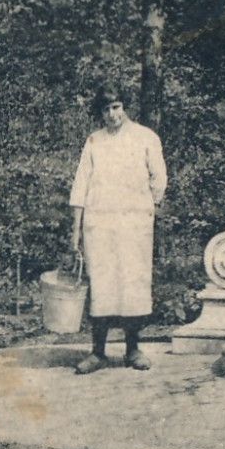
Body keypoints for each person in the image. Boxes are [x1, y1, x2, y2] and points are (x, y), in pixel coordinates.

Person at [69, 84, 167, 374]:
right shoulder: (94, 142)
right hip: (99, 226)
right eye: (106, 109)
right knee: (102, 285)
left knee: (132, 283)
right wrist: (75, 232)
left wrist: (144, 208)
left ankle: (133, 349)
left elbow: (159, 179)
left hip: (133, 226)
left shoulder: (146, 138)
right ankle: (97, 352)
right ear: (99, 113)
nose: (112, 115)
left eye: (116, 107)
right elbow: (80, 187)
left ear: (125, 107)